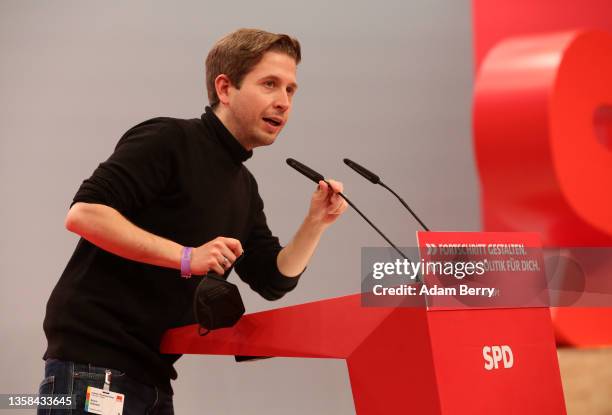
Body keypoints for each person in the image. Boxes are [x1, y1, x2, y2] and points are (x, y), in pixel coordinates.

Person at [38, 28, 348, 415]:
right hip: (93, 367)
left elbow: (273, 279)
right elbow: (85, 213)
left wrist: (316, 222)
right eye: (270, 84)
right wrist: (188, 257)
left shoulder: (244, 187)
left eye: (290, 90)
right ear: (225, 88)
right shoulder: (169, 139)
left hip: (153, 378)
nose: (283, 102)